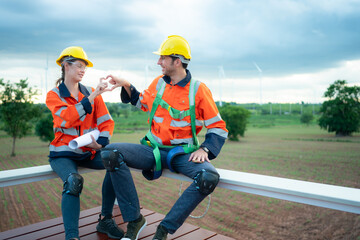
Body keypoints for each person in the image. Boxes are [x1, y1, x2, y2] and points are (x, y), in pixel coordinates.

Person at [101, 35, 228, 240]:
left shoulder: (198, 89)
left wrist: (205, 149)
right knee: (110, 153)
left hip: (180, 154)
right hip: (152, 150)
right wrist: (125, 84)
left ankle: (163, 231)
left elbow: (218, 126)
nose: (158, 62)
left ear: (177, 61)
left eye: (162, 58)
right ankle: (134, 221)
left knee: (208, 178)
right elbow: (142, 103)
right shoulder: (159, 83)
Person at [46, 46, 124, 240]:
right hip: (62, 153)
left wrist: (102, 144)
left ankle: (106, 219)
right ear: (66, 65)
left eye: (85, 67)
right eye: (79, 65)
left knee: (116, 160)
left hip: (88, 152)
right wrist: (92, 96)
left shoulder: (90, 92)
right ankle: (72, 236)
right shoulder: (54, 95)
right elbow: (67, 118)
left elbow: (106, 121)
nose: (82, 70)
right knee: (73, 181)